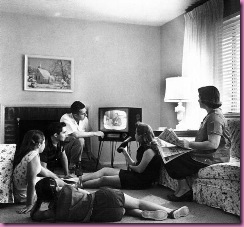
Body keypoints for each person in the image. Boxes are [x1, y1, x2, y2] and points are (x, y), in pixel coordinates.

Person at [164, 86, 231, 202]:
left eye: (199, 97)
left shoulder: (215, 117)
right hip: (206, 154)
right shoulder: (211, 115)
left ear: (206, 99)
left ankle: (184, 189)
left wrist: (188, 144)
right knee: (170, 153)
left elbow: (213, 144)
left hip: (213, 157)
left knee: (171, 157)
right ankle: (182, 188)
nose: (198, 100)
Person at [30, 177, 190, 222]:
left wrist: (38, 201)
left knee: (125, 210)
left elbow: (35, 216)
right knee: (137, 201)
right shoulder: (66, 188)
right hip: (104, 198)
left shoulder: (54, 213)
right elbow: (61, 181)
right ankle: (170, 211)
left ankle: (142, 214)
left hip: (106, 216)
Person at [77, 122, 162, 189]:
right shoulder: (143, 147)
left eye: (136, 133)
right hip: (135, 175)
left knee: (104, 179)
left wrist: (130, 168)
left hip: (141, 181)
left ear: (141, 135)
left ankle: (80, 185)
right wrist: (125, 153)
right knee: (105, 170)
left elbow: (139, 169)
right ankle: (79, 179)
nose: (134, 135)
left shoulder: (149, 150)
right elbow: (134, 164)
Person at [13, 130, 66, 214]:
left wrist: (58, 178)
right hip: (24, 195)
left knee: (59, 182)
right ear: (39, 145)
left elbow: (44, 171)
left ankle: (72, 185)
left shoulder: (29, 153)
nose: (45, 145)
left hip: (20, 192)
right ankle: (75, 188)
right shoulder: (33, 156)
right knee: (56, 187)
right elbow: (31, 182)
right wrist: (29, 204)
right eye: (44, 142)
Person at [60, 101, 104, 172]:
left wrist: (89, 151)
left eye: (85, 112)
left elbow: (87, 135)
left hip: (78, 149)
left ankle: (78, 163)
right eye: (83, 114)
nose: (86, 115)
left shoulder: (85, 119)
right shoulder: (65, 118)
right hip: (64, 148)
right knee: (80, 139)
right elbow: (76, 134)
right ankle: (73, 165)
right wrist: (95, 133)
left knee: (97, 166)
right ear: (75, 115)